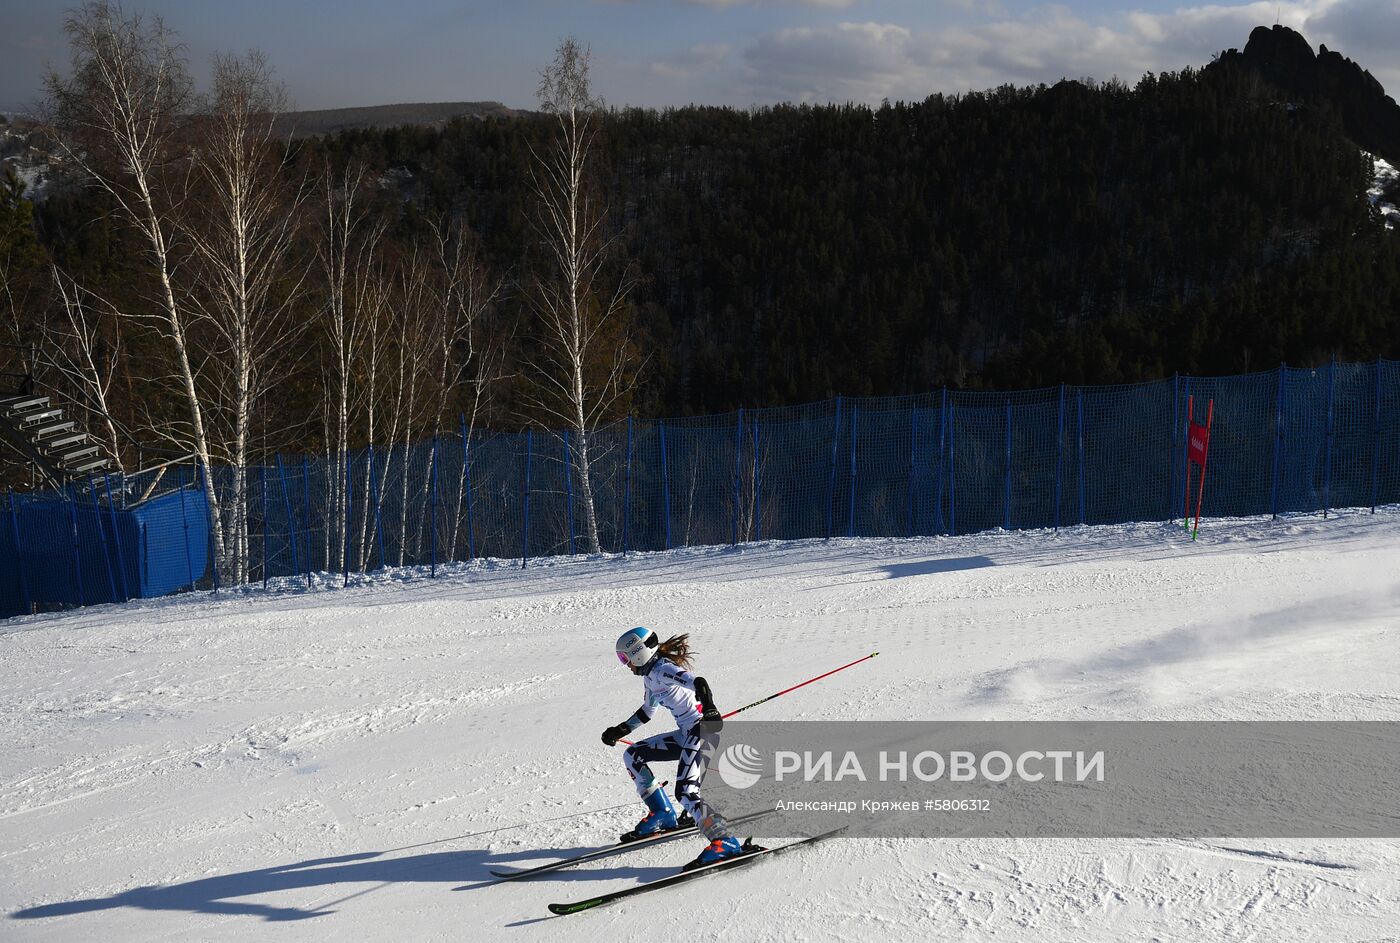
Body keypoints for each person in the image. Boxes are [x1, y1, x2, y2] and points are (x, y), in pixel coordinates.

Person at [602, 626, 745, 866]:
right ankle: (663, 814)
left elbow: (698, 683)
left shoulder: (664, 670)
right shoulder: (650, 677)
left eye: (625, 658)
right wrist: (620, 730)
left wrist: (710, 708)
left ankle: (725, 841)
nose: (625, 664)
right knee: (633, 755)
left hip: (703, 732)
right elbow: (647, 711)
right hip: (686, 734)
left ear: (638, 653)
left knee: (686, 792)